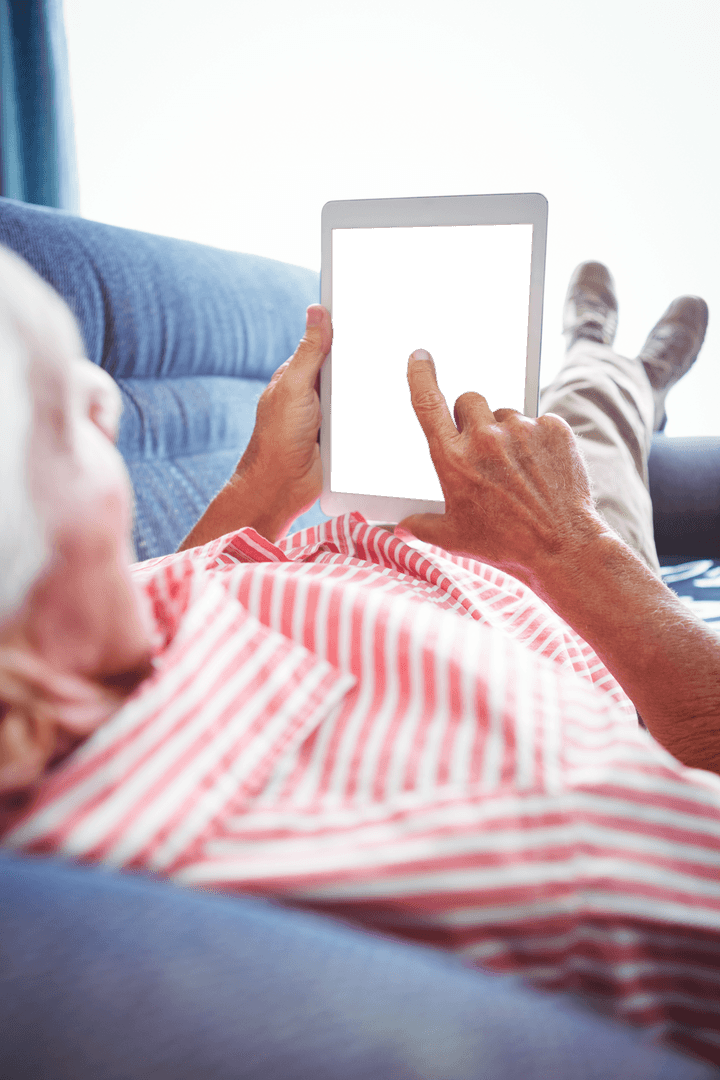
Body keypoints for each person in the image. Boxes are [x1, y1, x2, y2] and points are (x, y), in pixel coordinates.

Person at [1, 243, 719, 1068]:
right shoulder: (541, 827)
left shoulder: (60, 656)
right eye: (62, 419)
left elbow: (149, 609)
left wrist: (256, 494)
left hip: (417, 545)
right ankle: (612, 362)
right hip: (574, 606)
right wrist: (572, 546)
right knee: (584, 425)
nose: (107, 399)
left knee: (536, 428)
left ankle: (608, 363)